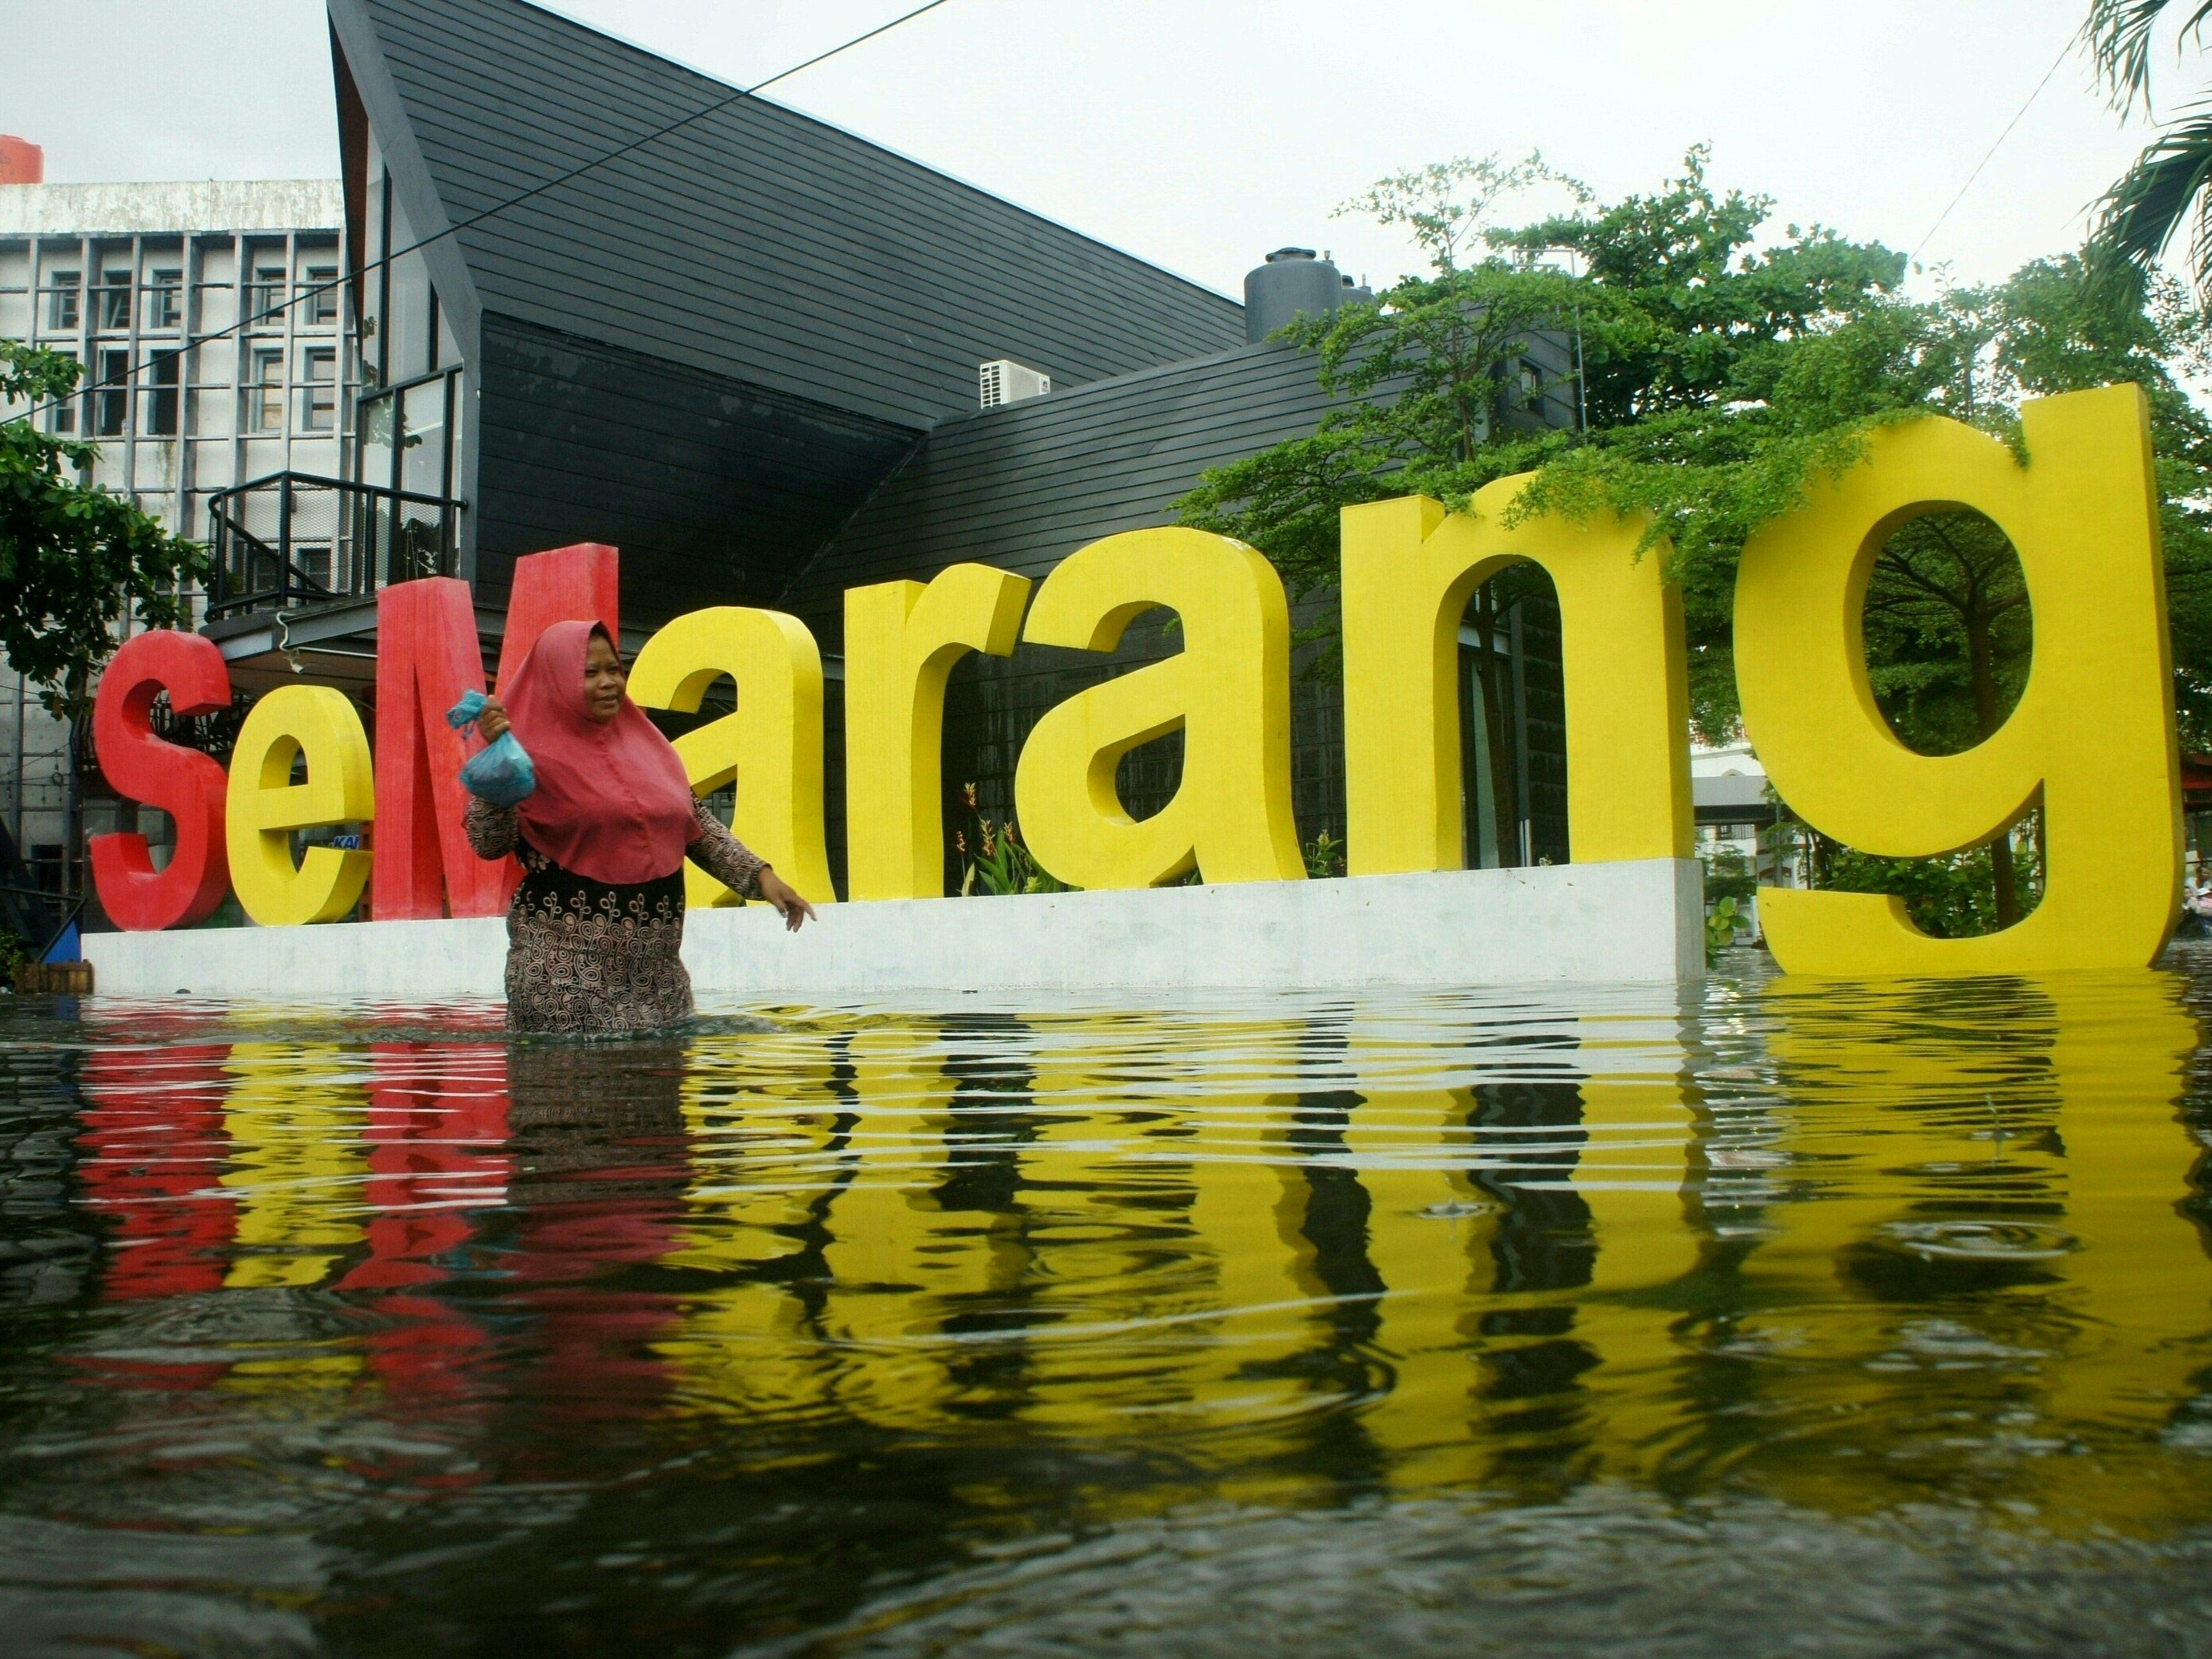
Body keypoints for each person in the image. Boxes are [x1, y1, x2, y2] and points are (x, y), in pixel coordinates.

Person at [464, 619, 815, 1033]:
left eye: (614, 669)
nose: (609, 682)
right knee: (568, 1094)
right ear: (555, 679)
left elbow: (693, 820)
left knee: (659, 1090)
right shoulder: (523, 755)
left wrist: (761, 877)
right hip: (564, 979)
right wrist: (498, 768)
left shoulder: (649, 748)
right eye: (589, 673)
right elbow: (487, 842)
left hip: (659, 981)